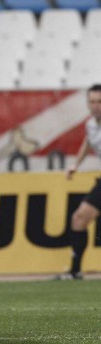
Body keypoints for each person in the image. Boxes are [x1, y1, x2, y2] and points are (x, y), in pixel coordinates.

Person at [58, 84, 101, 280]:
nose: (96, 106)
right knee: (79, 218)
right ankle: (75, 271)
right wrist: (76, 164)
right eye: (92, 101)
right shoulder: (91, 124)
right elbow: (89, 142)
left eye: (100, 101)